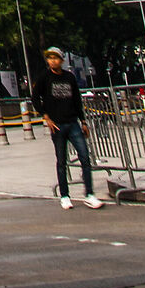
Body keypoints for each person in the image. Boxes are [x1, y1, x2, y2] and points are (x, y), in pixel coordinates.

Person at [32, 47, 101, 208]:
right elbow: (35, 98)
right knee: (61, 161)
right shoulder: (44, 78)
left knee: (85, 157)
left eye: (56, 58)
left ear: (62, 60)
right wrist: (45, 116)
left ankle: (89, 193)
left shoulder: (69, 77)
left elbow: (77, 100)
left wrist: (83, 122)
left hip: (73, 123)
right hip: (57, 125)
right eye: (50, 58)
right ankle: (64, 195)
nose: (52, 61)